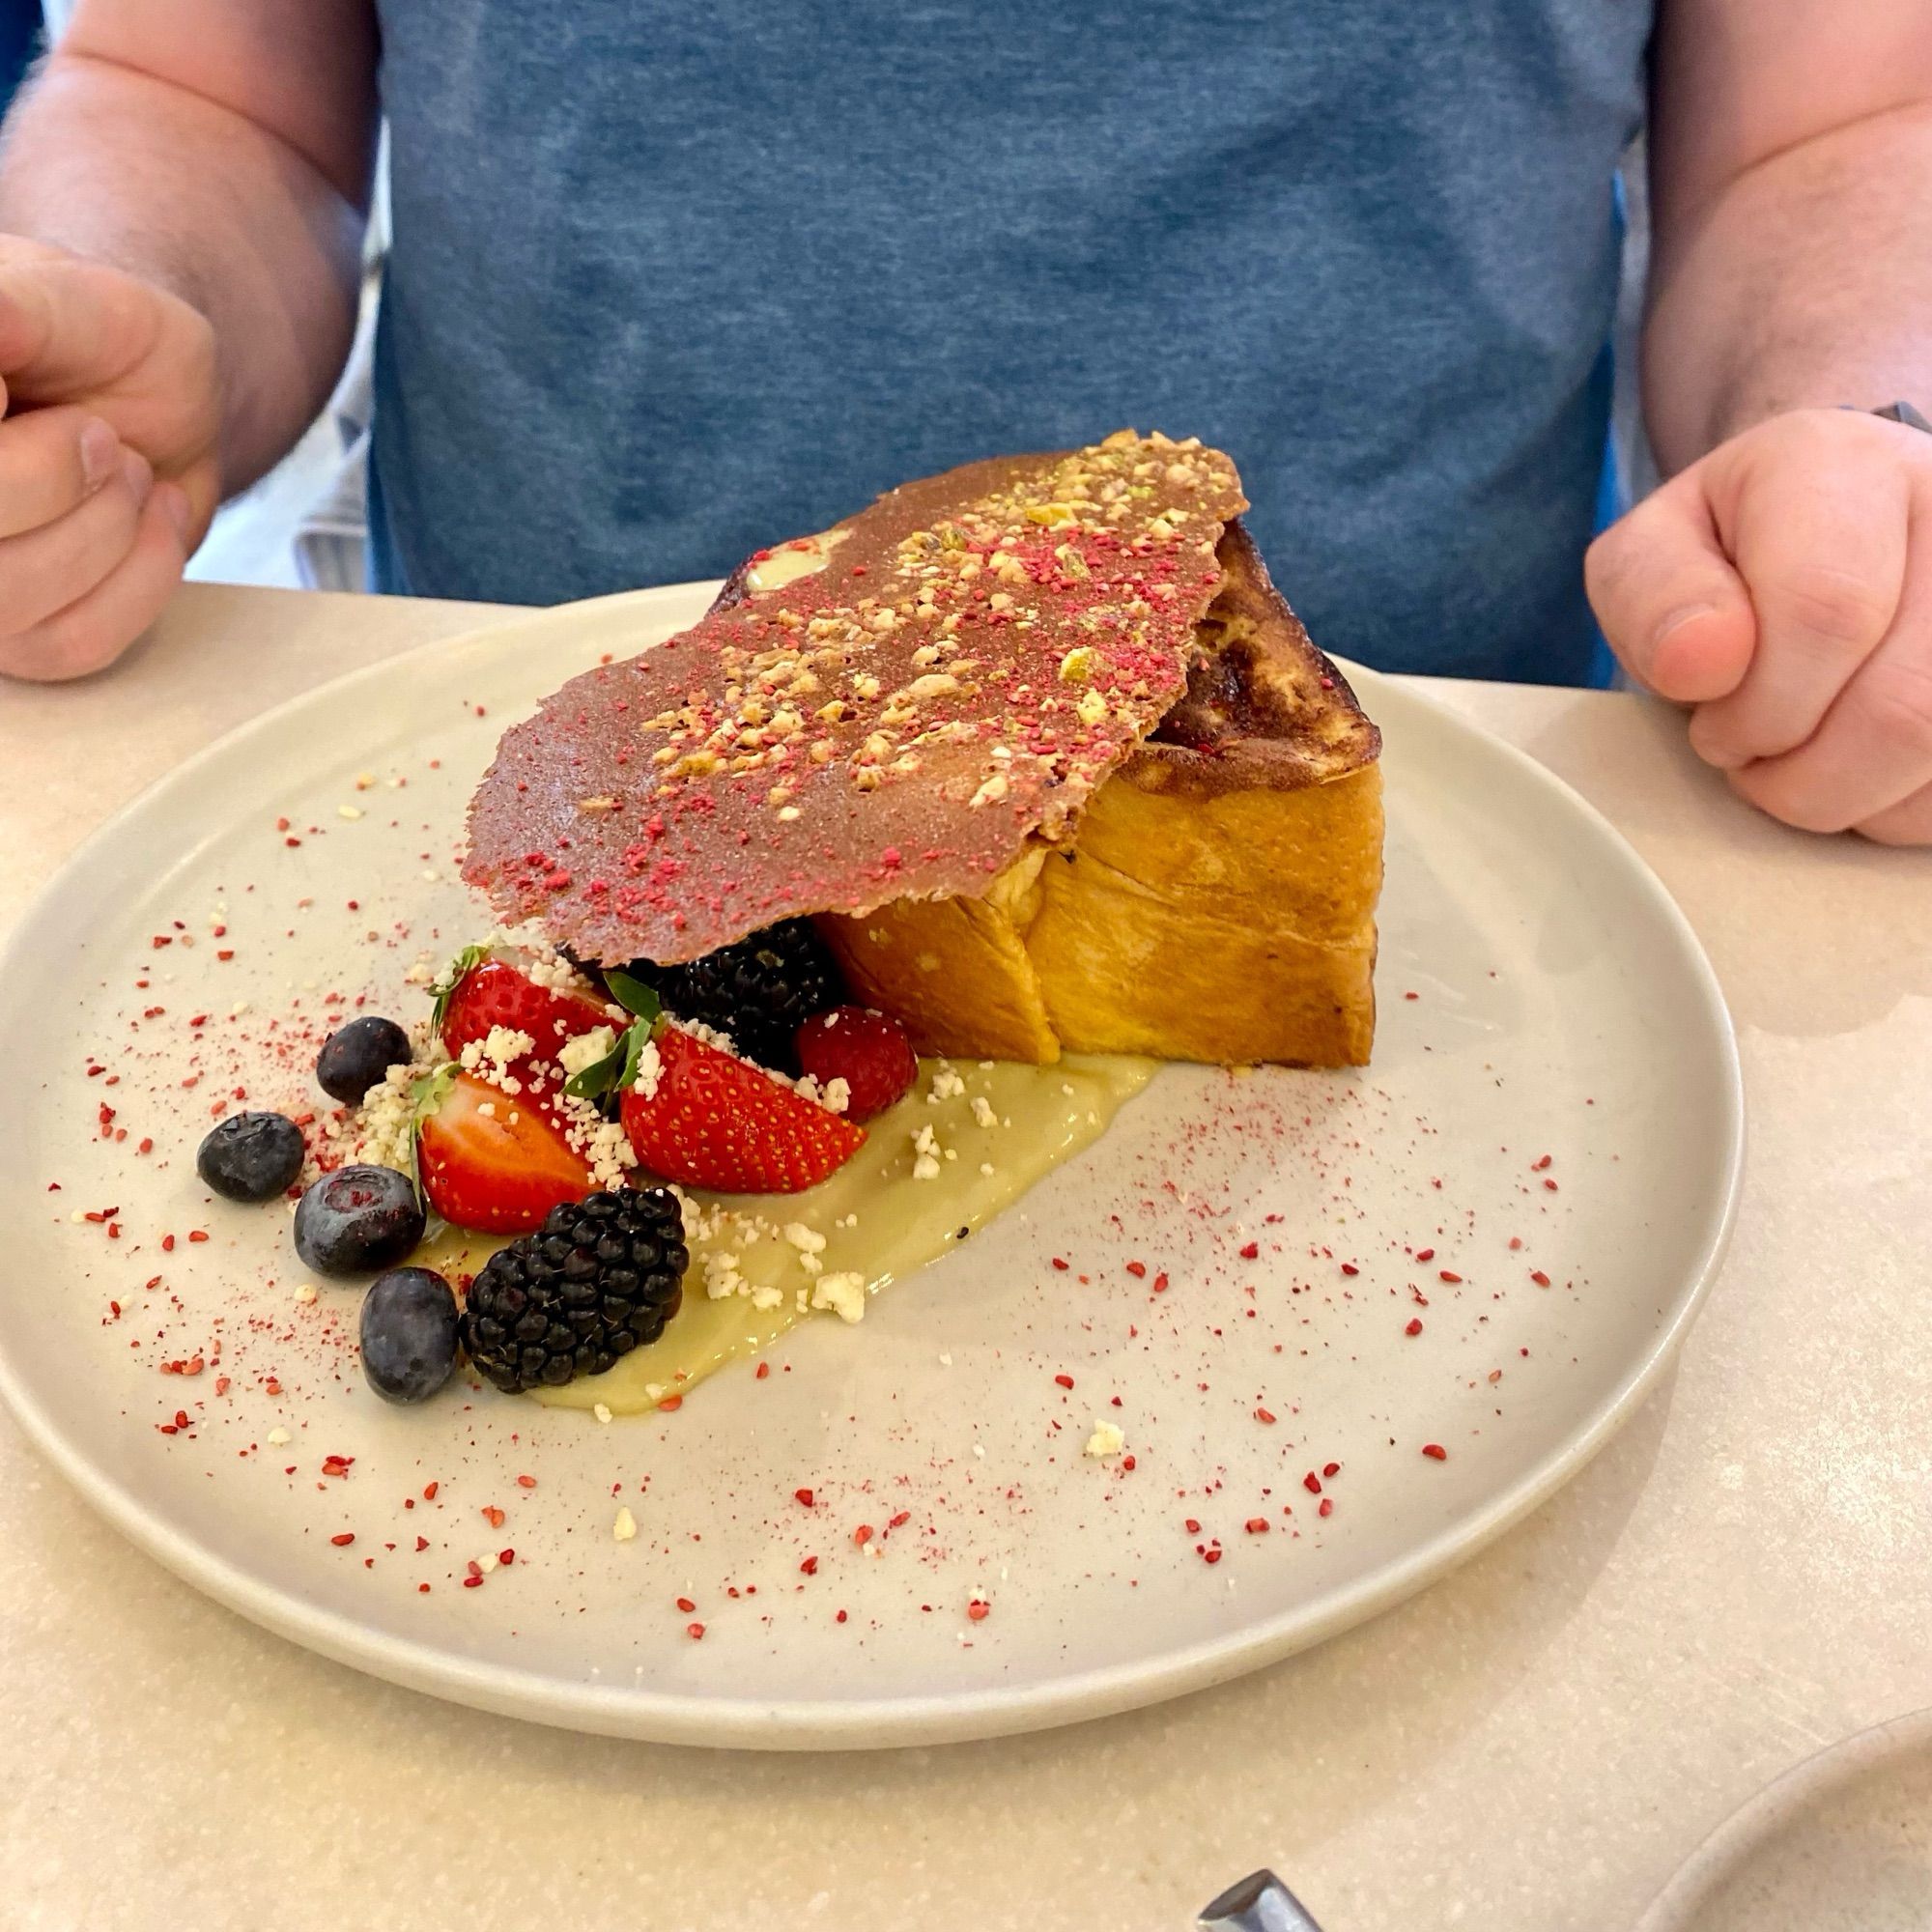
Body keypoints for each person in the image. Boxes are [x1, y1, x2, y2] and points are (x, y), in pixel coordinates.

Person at [1, 3, 1929, 847]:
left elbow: (1817, 134)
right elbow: (201, 90)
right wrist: (97, 324)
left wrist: (1866, 448)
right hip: (541, 777)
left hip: (1433, 810)